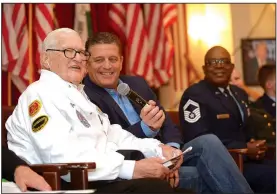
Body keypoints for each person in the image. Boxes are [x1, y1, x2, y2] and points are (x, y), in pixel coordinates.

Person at [5, 28, 194, 193]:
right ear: (46, 59)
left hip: (98, 179)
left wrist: (158, 148)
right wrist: (133, 169)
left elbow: (112, 135)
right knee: (155, 189)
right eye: (69, 52)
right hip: (63, 186)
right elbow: (66, 162)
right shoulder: (40, 94)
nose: (79, 58)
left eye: (81, 52)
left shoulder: (78, 95)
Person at [83, 32, 253, 193]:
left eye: (112, 59)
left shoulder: (137, 84)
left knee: (209, 142)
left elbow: (168, 126)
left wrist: (172, 152)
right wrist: (145, 129)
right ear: (87, 62)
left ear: (121, 61)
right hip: (136, 164)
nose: (107, 66)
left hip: (169, 154)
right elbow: (108, 142)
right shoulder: (85, 95)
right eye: (99, 60)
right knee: (209, 174)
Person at [179, 45, 276, 193]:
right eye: (213, 62)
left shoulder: (238, 93)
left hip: (248, 160)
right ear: (204, 68)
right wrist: (243, 147)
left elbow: (246, 128)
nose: (219, 66)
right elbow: (197, 139)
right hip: (223, 164)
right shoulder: (195, 95)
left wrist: (256, 145)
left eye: (224, 61)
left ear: (231, 67)